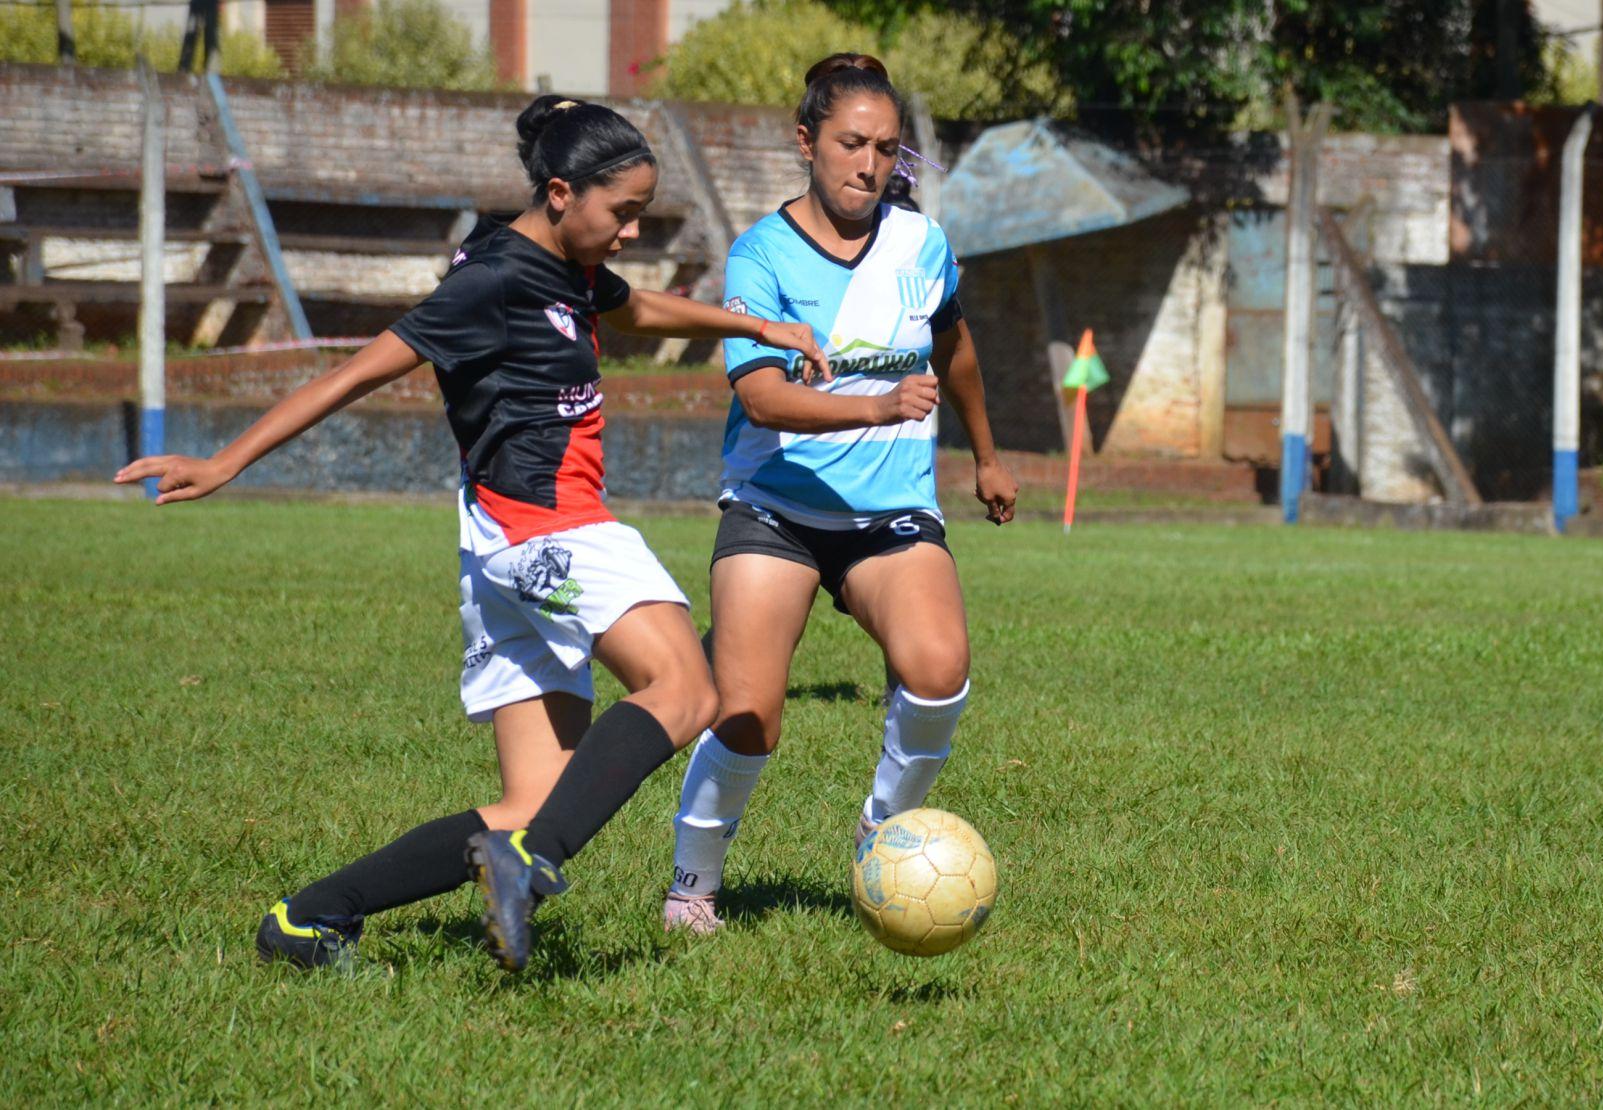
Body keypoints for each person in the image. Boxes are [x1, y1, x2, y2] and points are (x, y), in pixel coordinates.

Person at [115, 95, 828, 973]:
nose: (632, 232)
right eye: (623, 212)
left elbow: (634, 309)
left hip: (499, 552)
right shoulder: (490, 281)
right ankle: (533, 863)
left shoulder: (565, 262)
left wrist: (756, 326)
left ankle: (308, 917)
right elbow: (356, 372)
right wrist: (226, 462)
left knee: (528, 805)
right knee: (685, 689)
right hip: (548, 527)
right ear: (561, 193)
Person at [662, 54, 1018, 934]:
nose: (869, 165)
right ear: (806, 141)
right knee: (748, 716)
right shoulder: (762, 254)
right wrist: (875, 405)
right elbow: (760, 397)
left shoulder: (921, 243)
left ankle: (881, 836)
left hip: (889, 513)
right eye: (851, 144)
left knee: (938, 673)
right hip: (775, 508)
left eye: (886, 149)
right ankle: (692, 884)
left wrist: (986, 455)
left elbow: (955, 348)